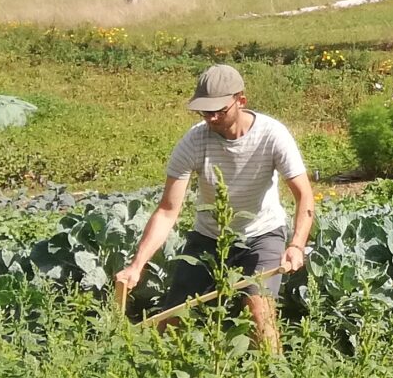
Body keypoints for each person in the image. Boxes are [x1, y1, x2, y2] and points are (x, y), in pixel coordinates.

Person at [114, 64, 317, 351]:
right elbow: (168, 210)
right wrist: (137, 265)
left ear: (241, 100)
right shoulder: (194, 141)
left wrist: (296, 245)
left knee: (259, 312)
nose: (210, 118)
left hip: (261, 235)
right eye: (204, 111)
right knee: (171, 320)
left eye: (218, 111)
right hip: (209, 237)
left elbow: (304, 197)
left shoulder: (272, 135)